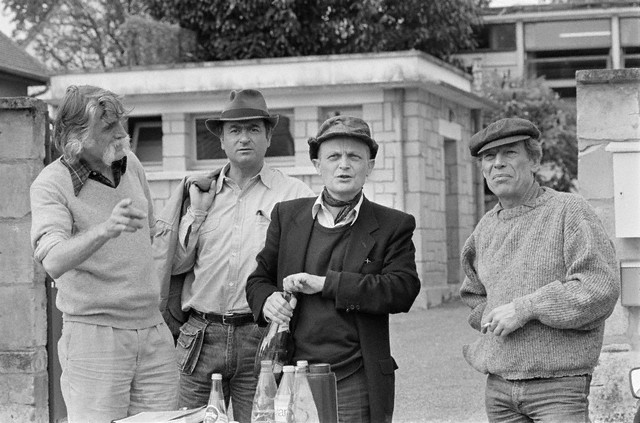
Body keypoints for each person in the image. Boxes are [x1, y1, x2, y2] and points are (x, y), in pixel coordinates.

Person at [246, 115, 421, 423]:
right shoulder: (287, 216)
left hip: (354, 377)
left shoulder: (393, 225)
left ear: (369, 166)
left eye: (354, 156)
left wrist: (327, 284)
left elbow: (402, 289)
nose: (344, 165)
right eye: (334, 157)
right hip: (290, 373)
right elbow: (259, 279)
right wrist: (267, 300)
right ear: (317, 165)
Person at [29, 85, 178, 423]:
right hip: (95, 336)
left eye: (120, 123)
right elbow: (52, 260)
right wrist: (105, 229)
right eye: (108, 127)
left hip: (153, 331)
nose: (122, 134)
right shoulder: (50, 184)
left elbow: (150, 233)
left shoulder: (131, 163)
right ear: (74, 136)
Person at [459, 117, 620, 423]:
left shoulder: (569, 211)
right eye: (489, 158)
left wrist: (526, 308)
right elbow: (473, 293)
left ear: (533, 159)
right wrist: (493, 320)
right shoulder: (484, 228)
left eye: (509, 153)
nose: (498, 165)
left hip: (558, 388)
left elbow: (599, 287)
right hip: (499, 388)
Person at [170, 89, 314, 422]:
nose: (244, 138)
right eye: (235, 130)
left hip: (260, 333)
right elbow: (175, 264)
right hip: (200, 336)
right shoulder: (198, 193)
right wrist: (198, 213)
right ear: (221, 139)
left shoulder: (294, 195)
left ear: (268, 137)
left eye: (253, 130)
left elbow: (310, 260)